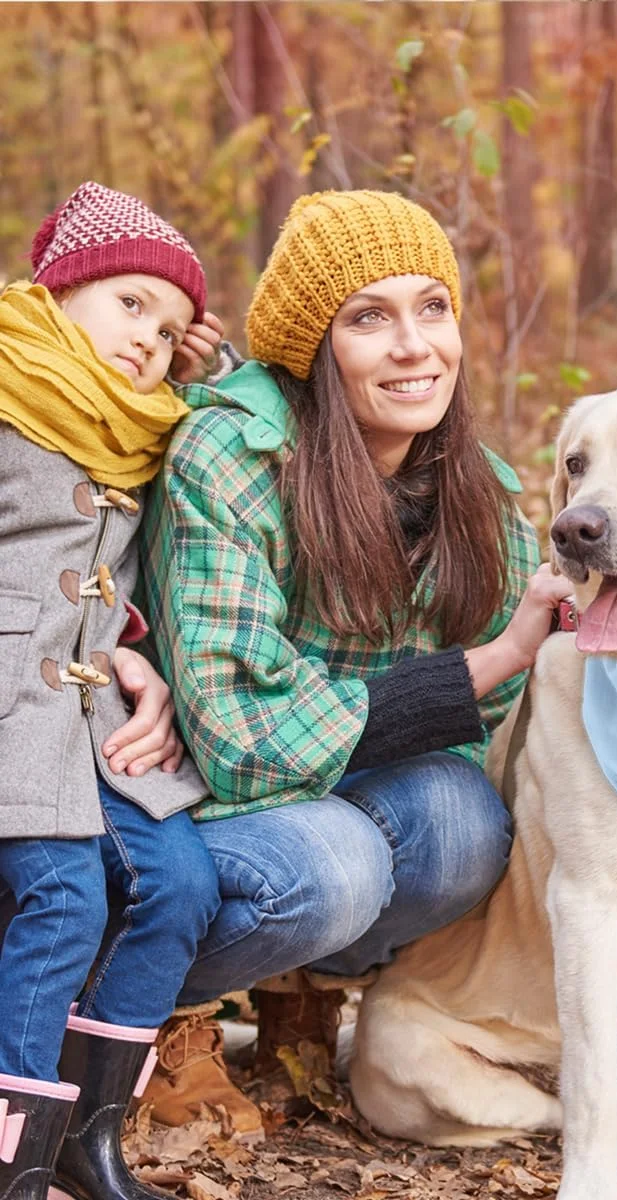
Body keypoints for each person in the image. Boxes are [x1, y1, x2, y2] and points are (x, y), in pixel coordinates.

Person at [138, 189, 571, 1123]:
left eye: (433, 308)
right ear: (313, 348)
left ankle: (301, 993)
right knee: (337, 867)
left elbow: (472, 735)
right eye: (369, 318)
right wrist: (490, 662)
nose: (416, 346)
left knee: (462, 827)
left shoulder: (478, 492)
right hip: (192, 802)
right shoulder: (230, 456)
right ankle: (155, 1019)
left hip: (331, 778)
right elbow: (240, 737)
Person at [0, 181, 226, 1200]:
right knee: (62, 896)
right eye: (130, 302)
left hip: (86, 716)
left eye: (169, 326)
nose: (148, 338)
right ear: (65, 287)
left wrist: (129, 639)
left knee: (180, 883)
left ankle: (89, 1137)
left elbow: (108, 569)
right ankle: (14, 1152)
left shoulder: (141, 427)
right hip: (11, 709)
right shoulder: (11, 385)